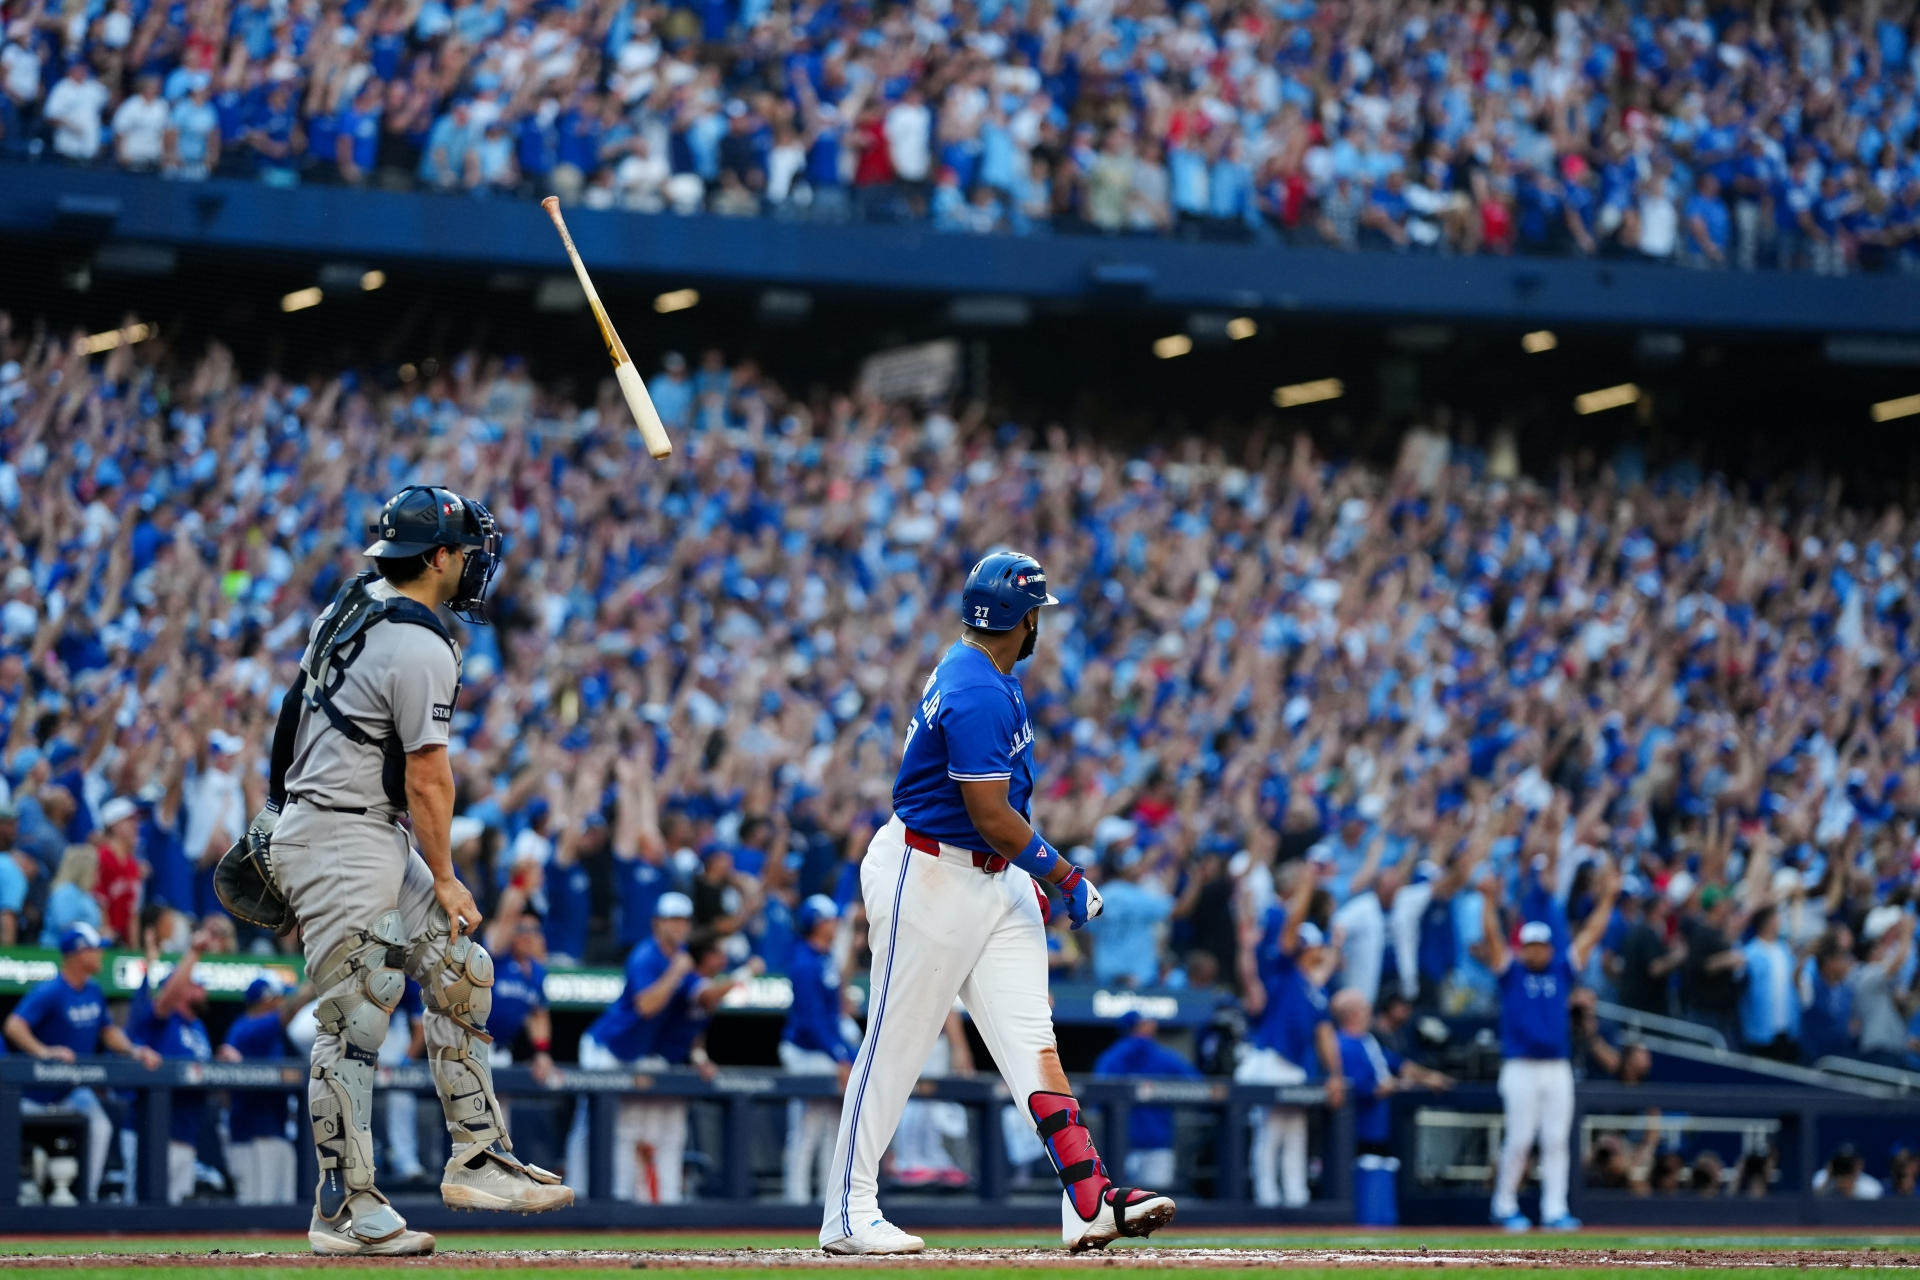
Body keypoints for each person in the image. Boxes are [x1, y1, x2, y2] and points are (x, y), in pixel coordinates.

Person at [819, 551, 1174, 1254]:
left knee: (1031, 1041)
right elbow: (988, 813)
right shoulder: (977, 686)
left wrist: (1024, 874)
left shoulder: (981, 669)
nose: (1041, 623)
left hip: (989, 875)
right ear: (1022, 619)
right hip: (931, 870)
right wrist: (1064, 876)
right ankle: (849, 1213)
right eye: (1036, 612)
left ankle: (1088, 1199)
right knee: (896, 1043)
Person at [249, 484, 570, 1255]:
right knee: (355, 1017)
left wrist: (276, 811)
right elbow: (428, 776)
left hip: (348, 826)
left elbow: (293, 708)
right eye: (465, 551)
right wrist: (447, 874)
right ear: (437, 558)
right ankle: (343, 1208)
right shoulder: (424, 644)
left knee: (461, 968)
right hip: (342, 832)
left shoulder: (352, 601)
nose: (475, 563)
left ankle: (479, 1156)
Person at [1483, 856, 1618, 1232]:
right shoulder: (1511, 972)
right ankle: (1504, 1204)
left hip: (1556, 1065)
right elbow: (1493, 939)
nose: (1536, 950)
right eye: (1531, 945)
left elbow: (1591, 935)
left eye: (1541, 945)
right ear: (1523, 947)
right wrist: (1488, 902)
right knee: (1520, 1139)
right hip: (1521, 1065)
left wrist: (1608, 898)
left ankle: (1555, 1209)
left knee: (1557, 1140)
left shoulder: (1561, 970)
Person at [3, 923, 162, 1201]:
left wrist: (135, 1051)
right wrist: (44, 1051)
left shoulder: (93, 990)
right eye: (95, 950)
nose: (101, 955)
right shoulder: (52, 990)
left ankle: (86, 1199)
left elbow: (108, 1031)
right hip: (34, 1093)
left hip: (71, 1089)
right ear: (78, 954)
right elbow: (14, 1025)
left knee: (101, 1126)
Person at [565, 890, 695, 1202]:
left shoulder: (681, 956)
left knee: (622, 1126)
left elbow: (699, 997)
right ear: (657, 923)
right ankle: (576, 1190)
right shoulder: (646, 955)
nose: (678, 926)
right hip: (605, 1046)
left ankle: (623, 1193)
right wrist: (676, 973)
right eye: (672, 920)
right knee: (590, 1120)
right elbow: (646, 1006)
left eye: (683, 920)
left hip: (632, 1053)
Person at [1237, 861, 1346, 1208]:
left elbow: (1325, 1034)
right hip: (1271, 1056)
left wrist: (1335, 1074)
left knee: (1295, 1131)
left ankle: (1296, 1198)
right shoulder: (1284, 973)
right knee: (1271, 1131)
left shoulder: (1316, 989)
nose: (1315, 949)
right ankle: (1266, 1198)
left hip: (1294, 1064)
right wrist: (1306, 888)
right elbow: (1289, 931)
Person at [1331, 988, 1452, 1223]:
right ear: (1353, 1014)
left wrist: (1429, 1077)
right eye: (1364, 1009)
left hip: (1379, 1126)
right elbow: (1364, 1089)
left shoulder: (1367, 1041)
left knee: (1382, 1175)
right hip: (1358, 1129)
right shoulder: (1343, 1045)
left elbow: (1399, 1064)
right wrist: (1398, 1084)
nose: (1369, 1013)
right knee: (1363, 1179)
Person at [126, 924, 216, 1203]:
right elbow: (167, 998)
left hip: (186, 1133)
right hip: (151, 1132)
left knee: (177, 1213)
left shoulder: (198, 1027)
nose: (203, 992)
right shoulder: (160, 1019)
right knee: (143, 1210)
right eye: (196, 986)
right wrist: (194, 953)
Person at [780, 893, 855, 1204]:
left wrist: (845, 1055)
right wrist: (840, 1056)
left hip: (825, 1049)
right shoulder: (804, 962)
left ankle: (829, 1199)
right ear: (815, 923)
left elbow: (832, 1016)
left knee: (833, 1128)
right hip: (805, 1051)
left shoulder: (825, 957)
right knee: (807, 1127)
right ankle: (795, 1199)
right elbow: (812, 1020)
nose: (834, 924)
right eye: (828, 919)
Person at [219, 978, 306, 1205]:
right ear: (265, 1001)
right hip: (252, 1136)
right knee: (256, 1208)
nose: (281, 1002)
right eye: (277, 998)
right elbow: (289, 1012)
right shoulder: (246, 1027)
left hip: (277, 1131)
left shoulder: (278, 1036)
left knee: (283, 1209)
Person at [1091, 1013, 1201, 1187]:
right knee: (1154, 1201)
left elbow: (1197, 1086)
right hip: (1142, 1146)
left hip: (1125, 1146)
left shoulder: (1112, 1057)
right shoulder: (1117, 1059)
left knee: (1122, 1200)